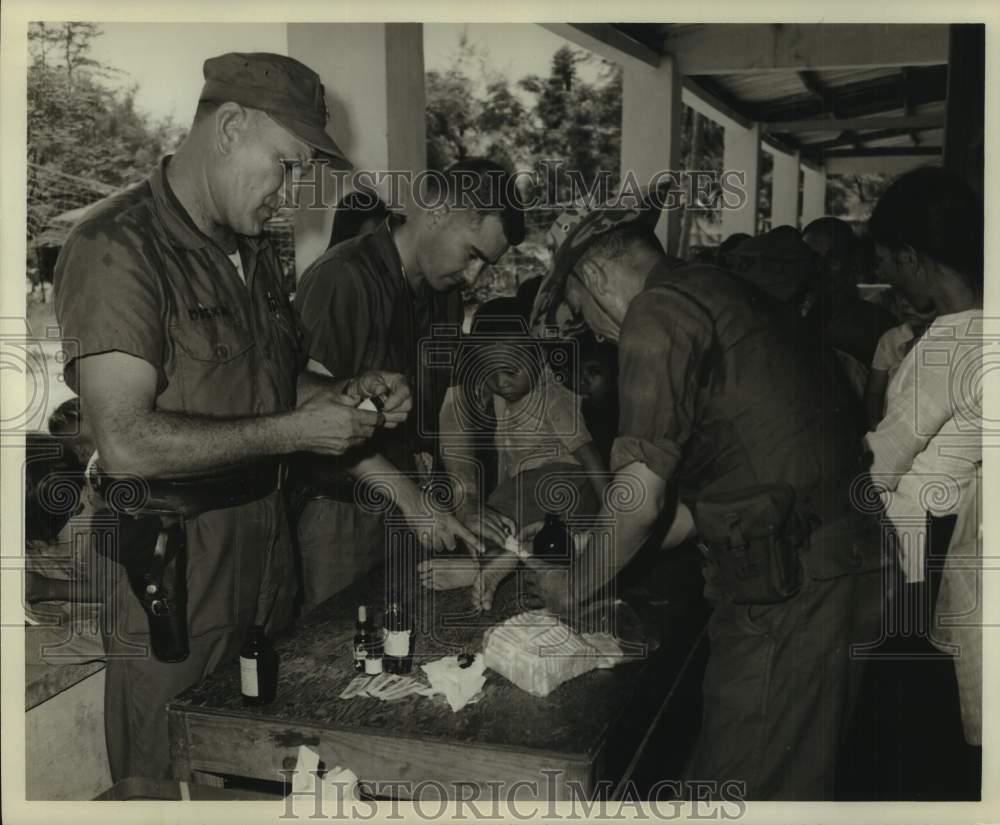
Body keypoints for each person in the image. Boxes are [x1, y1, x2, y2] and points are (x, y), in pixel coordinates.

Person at [54, 52, 411, 781]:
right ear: (230, 127)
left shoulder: (252, 253)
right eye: (288, 165)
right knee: (165, 778)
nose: (293, 191)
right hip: (173, 571)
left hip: (267, 555)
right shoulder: (117, 247)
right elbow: (124, 442)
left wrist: (344, 392)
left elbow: (274, 380)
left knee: (261, 766)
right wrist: (294, 432)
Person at [483, 200, 884, 800]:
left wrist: (574, 587)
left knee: (742, 790)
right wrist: (595, 545)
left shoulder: (657, 311)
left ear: (594, 275)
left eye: (581, 312)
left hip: (794, 586)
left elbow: (639, 501)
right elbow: (695, 504)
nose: (595, 334)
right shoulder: (719, 291)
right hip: (829, 570)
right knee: (744, 778)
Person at [292, 158, 525, 609]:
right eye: (473, 255)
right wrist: (410, 498)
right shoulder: (343, 277)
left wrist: (466, 497)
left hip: (411, 506)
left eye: (486, 265)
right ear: (437, 212)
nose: (473, 277)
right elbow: (309, 412)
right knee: (340, 638)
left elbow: (451, 405)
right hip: (339, 510)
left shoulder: (445, 296)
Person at [863, 166, 983, 751]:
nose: (884, 276)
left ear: (911, 257)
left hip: (923, 548)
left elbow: (881, 464)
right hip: (960, 529)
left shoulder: (950, 344)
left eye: (885, 261)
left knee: (914, 716)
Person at [421, 298, 606, 591]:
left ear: (538, 356)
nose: (501, 383)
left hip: (563, 480)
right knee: (500, 517)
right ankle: (503, 560)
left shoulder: (553, 396)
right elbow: (507, 461)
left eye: (510, 371)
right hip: (538, 492)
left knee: (508, 512)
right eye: (489, 373)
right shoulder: (503, 399)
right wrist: (496, 498)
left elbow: (589, 453)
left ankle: (476, 567)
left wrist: (610, 509)